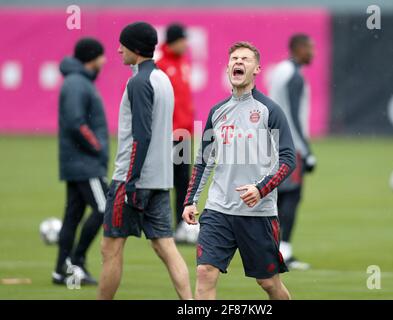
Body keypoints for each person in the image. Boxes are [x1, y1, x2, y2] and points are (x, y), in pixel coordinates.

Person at [183, 42, 296, 300]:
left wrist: (260, 189)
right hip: (218, 209)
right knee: (205, 272)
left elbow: (289, 159)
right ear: (227, 68)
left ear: (257, 69)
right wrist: (190, 201)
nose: (239, 62)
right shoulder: (217, 112)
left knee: (268, 283)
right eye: (234, 58)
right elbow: (203, 161)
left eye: (245, 59)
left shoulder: (270, 111)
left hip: (258, 214)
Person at [97, 22, 192, 300]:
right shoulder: (163, 79)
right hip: (161, 180)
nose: (118, 50)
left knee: (110, 248)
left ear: (135, 48)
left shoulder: (139, 82)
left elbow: (141, 135)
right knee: (165, 246)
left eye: (122, 45)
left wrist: (132, 181)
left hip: (132, 178)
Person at [54, 37, 108, 286]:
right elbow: (77, 122)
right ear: (92, 58)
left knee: (73, 216)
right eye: (101, 56)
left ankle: (61, 270)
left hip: (76, 161)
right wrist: (97, 146)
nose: (104, 61)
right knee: (104, 208)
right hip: (85, 162)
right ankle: (76, 262)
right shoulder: (77, 83)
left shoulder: (77, 81)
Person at [268, 33, 317, 270]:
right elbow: (294, 116)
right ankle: (282, 251)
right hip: (289, 145)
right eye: (309, 48)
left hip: (273, 140)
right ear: (298, 49)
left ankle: (272, 249)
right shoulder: (294, 76)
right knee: (291, 196)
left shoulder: (279, 71)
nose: (313, 53)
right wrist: (306, 151)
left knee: (277, 197)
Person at [156, 23, 198, 244]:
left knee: (183, 182)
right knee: (163, 182)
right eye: (182, 40)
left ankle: (181, 226)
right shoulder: (161, 65)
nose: (186, 44)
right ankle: (158, 225)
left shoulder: (183, 63)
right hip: (168, 136)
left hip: (184, 134)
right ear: (173, 41)